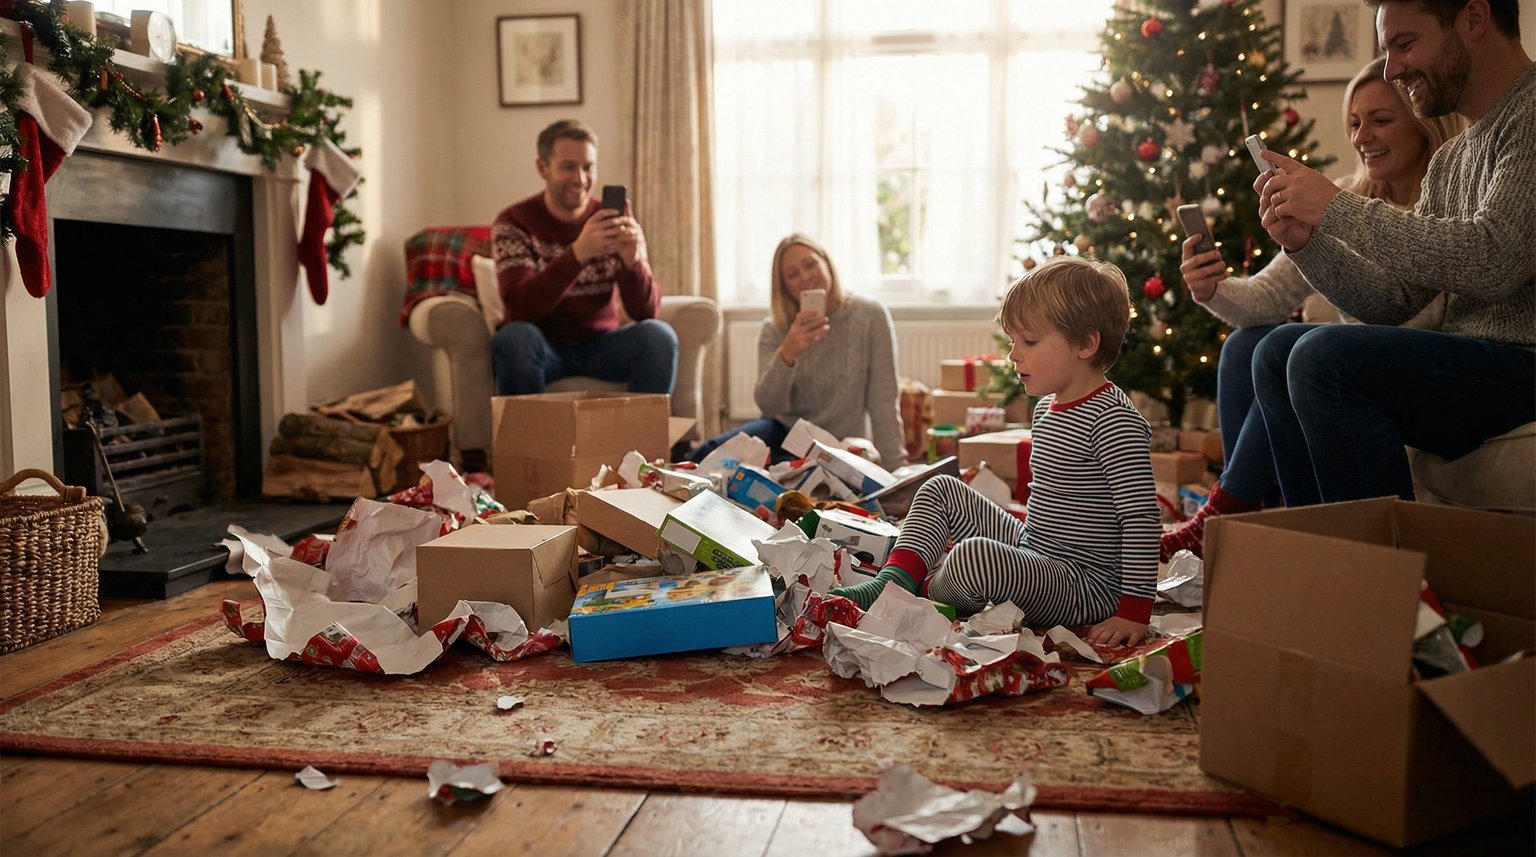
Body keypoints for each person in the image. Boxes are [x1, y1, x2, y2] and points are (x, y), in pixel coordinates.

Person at [1159, 56, 1464, 561]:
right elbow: (1265, 298)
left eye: (1381, 119)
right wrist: (1212, 288)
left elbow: (1412, 316)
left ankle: (1228, 512)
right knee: (1244, 344)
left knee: (1289, 346)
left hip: (1400, 368)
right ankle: (1249, 509)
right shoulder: (1342, 194)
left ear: (1422, 121)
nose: (1363, 135)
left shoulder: (1445, 202)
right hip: (1338, 362)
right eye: (1354, 122)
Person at [1251, 0, 1534, 506]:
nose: (1392, 68)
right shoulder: (1453, 158)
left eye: (1405, 44)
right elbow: (1393, 300)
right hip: (1478, 369)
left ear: (1473, 19)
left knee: (1324, 357)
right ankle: (1316, 552)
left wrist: (1335, 207)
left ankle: (1381, 574)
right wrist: (1306, 243)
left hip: (1524, 366)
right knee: (1275, 351)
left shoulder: (1530, 114)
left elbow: (1494, 260)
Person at [830, 257, 1160, 647]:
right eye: (1013, 341)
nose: (1013, 355)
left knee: (973, 558)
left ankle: (925, 593)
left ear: (1087, 343)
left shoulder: (1113, 420)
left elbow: (1141, 520)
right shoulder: (1046, 408)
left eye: (1030, 342)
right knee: (940, 488)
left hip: (1085, 585)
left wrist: (1134, 611)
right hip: (1036, 548)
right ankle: (893, 582)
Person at [490, 119, 678, 397]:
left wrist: (632, 264)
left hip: (602, 345)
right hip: (542, 346)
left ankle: (641, 441)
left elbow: (646, 313)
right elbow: (519, 308)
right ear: (543, 168)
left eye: (588, 167)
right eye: (568, 167)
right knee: (515, 338)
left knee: (659, 336)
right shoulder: (514, 223)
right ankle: (526, 441)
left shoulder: (611, 220)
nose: (580, 179)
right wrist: (577, 254)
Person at [688, 233, 907, 467]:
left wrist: (896, 468)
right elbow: (769, 406)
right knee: (708, 454)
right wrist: (788, 353)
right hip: (786, 433)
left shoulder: (870, 316)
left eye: (810, 265)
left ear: (826, 262)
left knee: (804, 478)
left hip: (839, 443)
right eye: (792, 275)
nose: (805, 277)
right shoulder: (775, 328)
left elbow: (884, 400)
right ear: (785, 286)